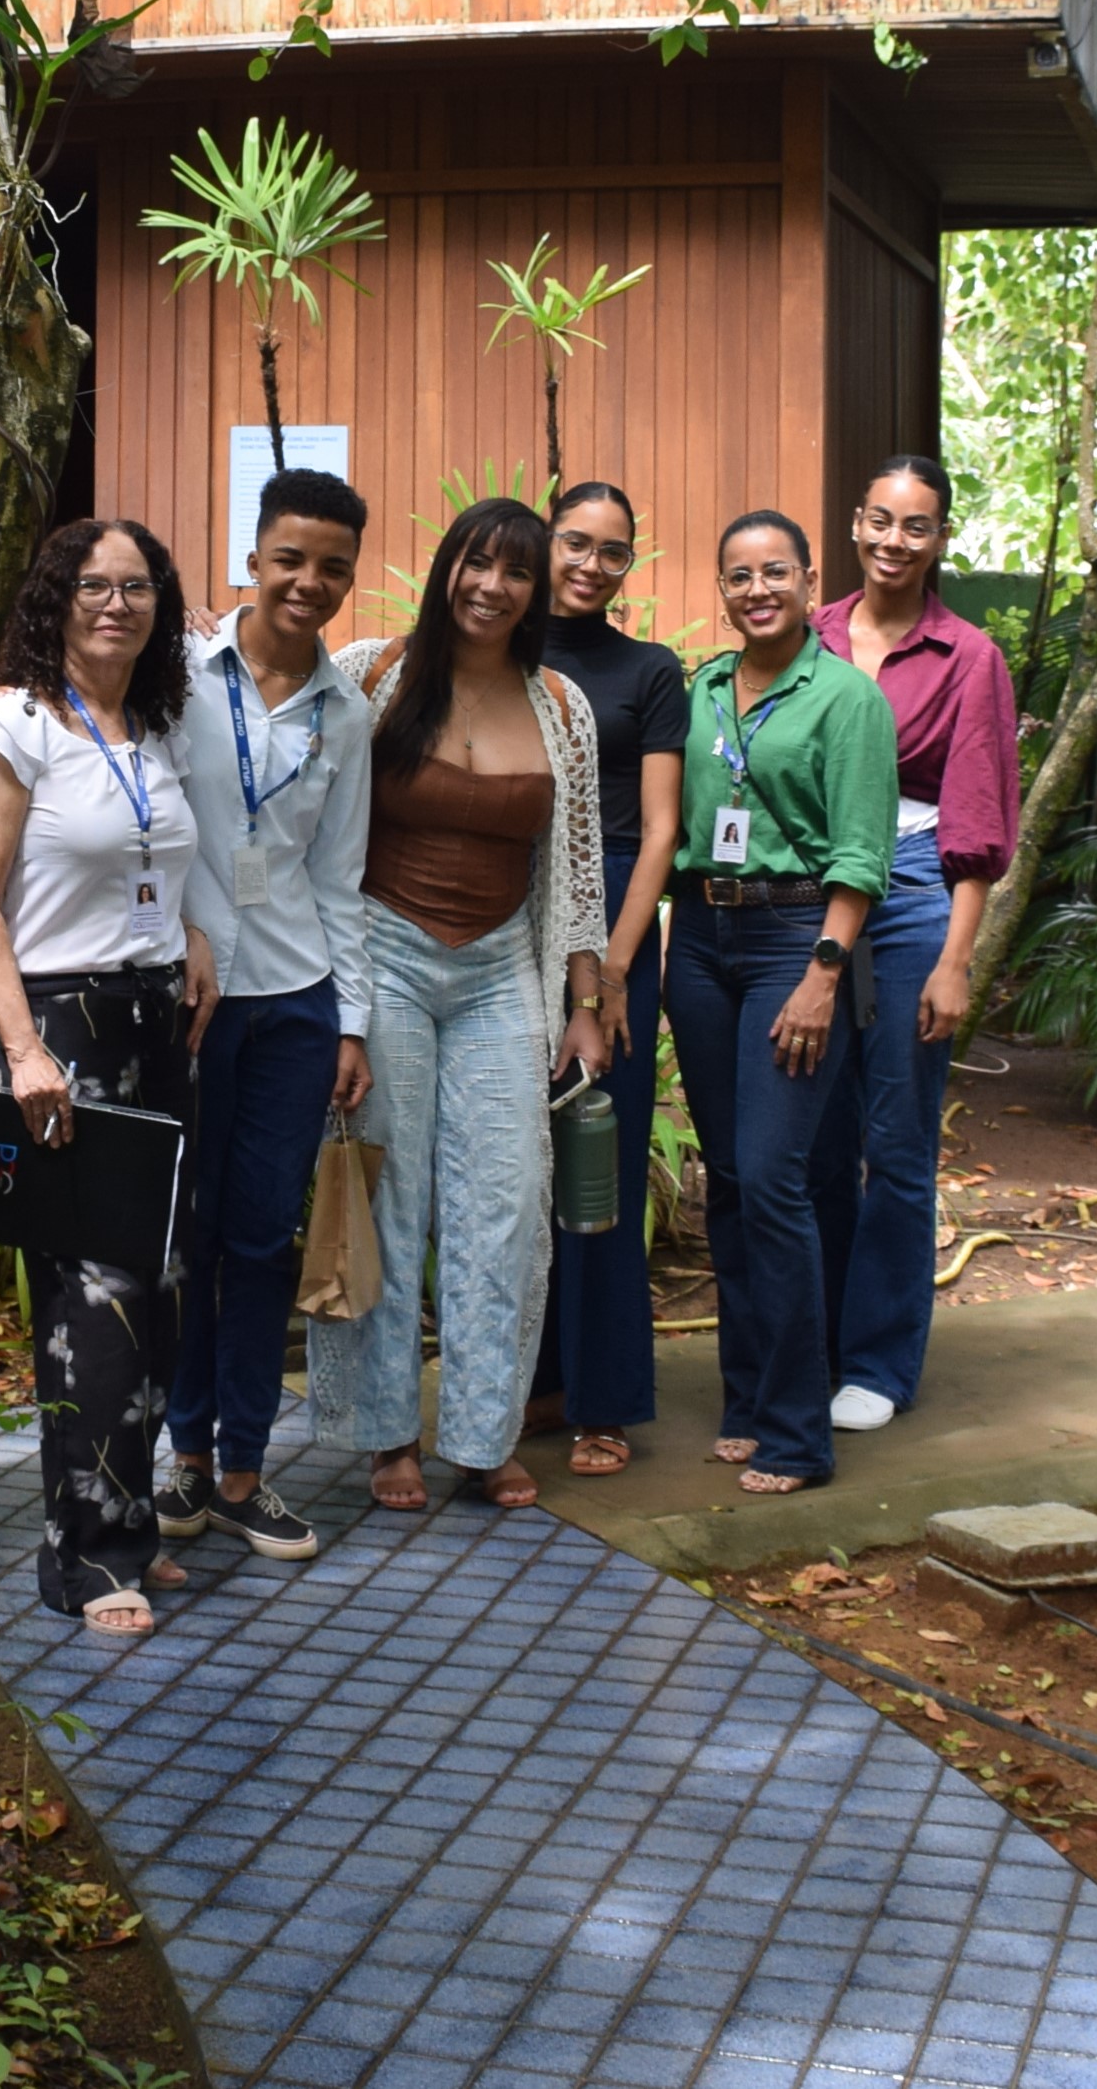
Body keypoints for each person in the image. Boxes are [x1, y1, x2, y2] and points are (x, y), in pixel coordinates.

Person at [311, 496, 612, 1513]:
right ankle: (387, 1432)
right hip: (383, 957)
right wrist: (338, 1005)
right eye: (476, 563)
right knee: (384, 1197)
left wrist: (584, 1001)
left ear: (536, 590)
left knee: (506, 1202)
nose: (492, 585)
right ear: (447, 567)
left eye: (516, 571)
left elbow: (576, 870)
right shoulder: (371, 673)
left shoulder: (560, 704)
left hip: (500, 968)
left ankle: (484, 1436)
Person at [0, 519, 220, 1633]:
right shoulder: (9, 723)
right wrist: (23, 1050)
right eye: (94, 585)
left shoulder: (151, 726)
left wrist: (189, 934)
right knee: (95, 1293)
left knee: (160, 1281)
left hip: (156, 1013)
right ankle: (87, 1559)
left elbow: (150, 863)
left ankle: (127, 1522)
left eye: (138, 585)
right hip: (59, 1023)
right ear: (55, 598)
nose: (117, 603)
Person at [158, 465, 377, 1562]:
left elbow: (341, 876)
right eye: (289, 558)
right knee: (185, 1238)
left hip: (293, 1002)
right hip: (188, 1000)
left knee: (257, 1238)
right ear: (252, 557)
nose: (307, 582)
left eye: (331, 566)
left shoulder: (348, 713)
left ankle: (243, 1467)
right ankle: (184, 1457)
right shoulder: (175, 676)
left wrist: (352, 1021)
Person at [662, 511, 894, 1496]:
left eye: (775, 572)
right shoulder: (704, 688)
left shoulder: (846, 697)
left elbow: (863, 851)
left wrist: (823, 972)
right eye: (738, 575)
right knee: (725, 1179)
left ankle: (800, 1431)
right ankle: (748, 1396)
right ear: (722, 588)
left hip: (795, 938)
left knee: (773, 1178)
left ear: (808, 580)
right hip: (700, 937)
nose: (756, 589)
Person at [808, 455, 1023, 1429]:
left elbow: (977, 820)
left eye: (917, 525)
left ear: (940, 540)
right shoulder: (811, 634)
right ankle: (814, 1341)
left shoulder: (968, 656)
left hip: (911, 887)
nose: (895, 540)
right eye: (881, 520)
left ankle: (878, 1363)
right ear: (857, 522)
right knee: (813, 1130)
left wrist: (954, 959)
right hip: (808, 893)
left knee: (896, 1138)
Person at [527, 481, 687, 1476]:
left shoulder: (649, 668)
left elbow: (663, 827)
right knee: (517, 1162)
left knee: (600, 1157)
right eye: (576, 543)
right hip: (512, 904)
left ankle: (605, 1398)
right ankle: (541, 1378)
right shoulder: (500, 648)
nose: (591, 564)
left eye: (613, 551)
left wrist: (617, 970)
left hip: (619, 905)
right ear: (546, 540)